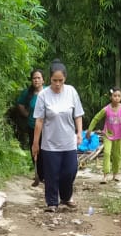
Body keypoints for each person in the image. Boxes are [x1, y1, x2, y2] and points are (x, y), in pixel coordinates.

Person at [31, 61, 84, 213]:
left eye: (61, 80)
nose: (58, 84)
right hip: (50, 143)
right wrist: (36, 143)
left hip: (68, 141)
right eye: (55, 80)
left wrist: (79, 132)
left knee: (70, 171)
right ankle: (52, 202)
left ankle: (66, 197)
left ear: (65, 79)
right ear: (49, 79)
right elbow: (39, 120)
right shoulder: (43, 95)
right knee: (51, 174)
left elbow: (78, 115)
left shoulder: (71, 92)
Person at [11, 69, 44, 185]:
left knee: (45, 150)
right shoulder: (27, 93)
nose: (36, 80)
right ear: (31, 80)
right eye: (34, 78)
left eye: (39, 78)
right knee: (34, 148)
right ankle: (38, 174)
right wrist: (26, 113)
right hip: (32, 125)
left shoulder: (47, 92)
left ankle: (45, 173)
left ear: (43, 80)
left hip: (46, 128)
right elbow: (19, 103)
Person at [88, 87, 121, 183]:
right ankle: (105, 175)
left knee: (117, 155)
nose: (117, 98)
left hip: (119, 136)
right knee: (106, 153)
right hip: (108, 135)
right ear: (111, 97)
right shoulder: (106, 109)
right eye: (115, 96)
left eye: (119, 96)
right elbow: (96, 118)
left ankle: (115, 174)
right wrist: (89, 130)